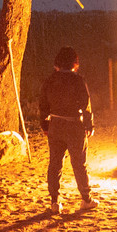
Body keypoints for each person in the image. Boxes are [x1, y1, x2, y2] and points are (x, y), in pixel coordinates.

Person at [38, 45, 96, 215]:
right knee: (79, 164)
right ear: (75, 63)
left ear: (57, 63)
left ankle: (55, 202)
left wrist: (45, 125)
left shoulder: (49, 80)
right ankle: (86, 199)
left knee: (55, 164)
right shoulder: (78, 80)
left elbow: (43, 105)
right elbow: (86, 105)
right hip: (74, 126)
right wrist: (89, 125)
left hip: (55, 125)